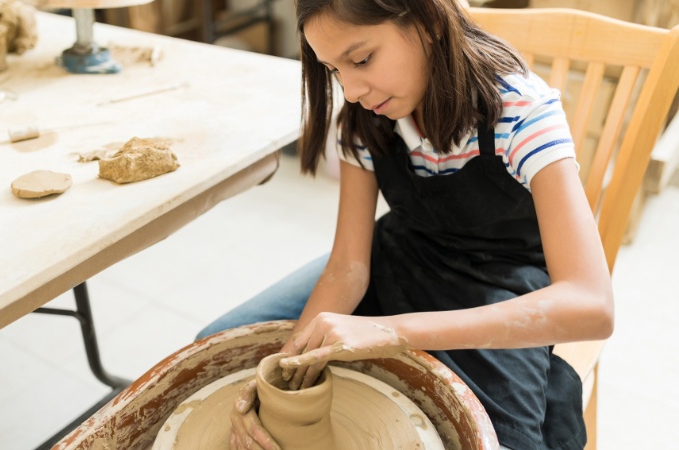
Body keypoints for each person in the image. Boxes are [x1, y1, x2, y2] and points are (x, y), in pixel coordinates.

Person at [198, 0, 614, 448]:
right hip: (399, 257)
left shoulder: (523, 113)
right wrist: (282, 376)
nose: (352, 89)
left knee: (496, 439)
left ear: (430, 21)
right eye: (335, 70)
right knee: (221, 352)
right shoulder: (362, 120)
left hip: (504, 282)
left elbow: (592, 305)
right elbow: (348, 267)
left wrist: (394, 331)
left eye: (361, 60)